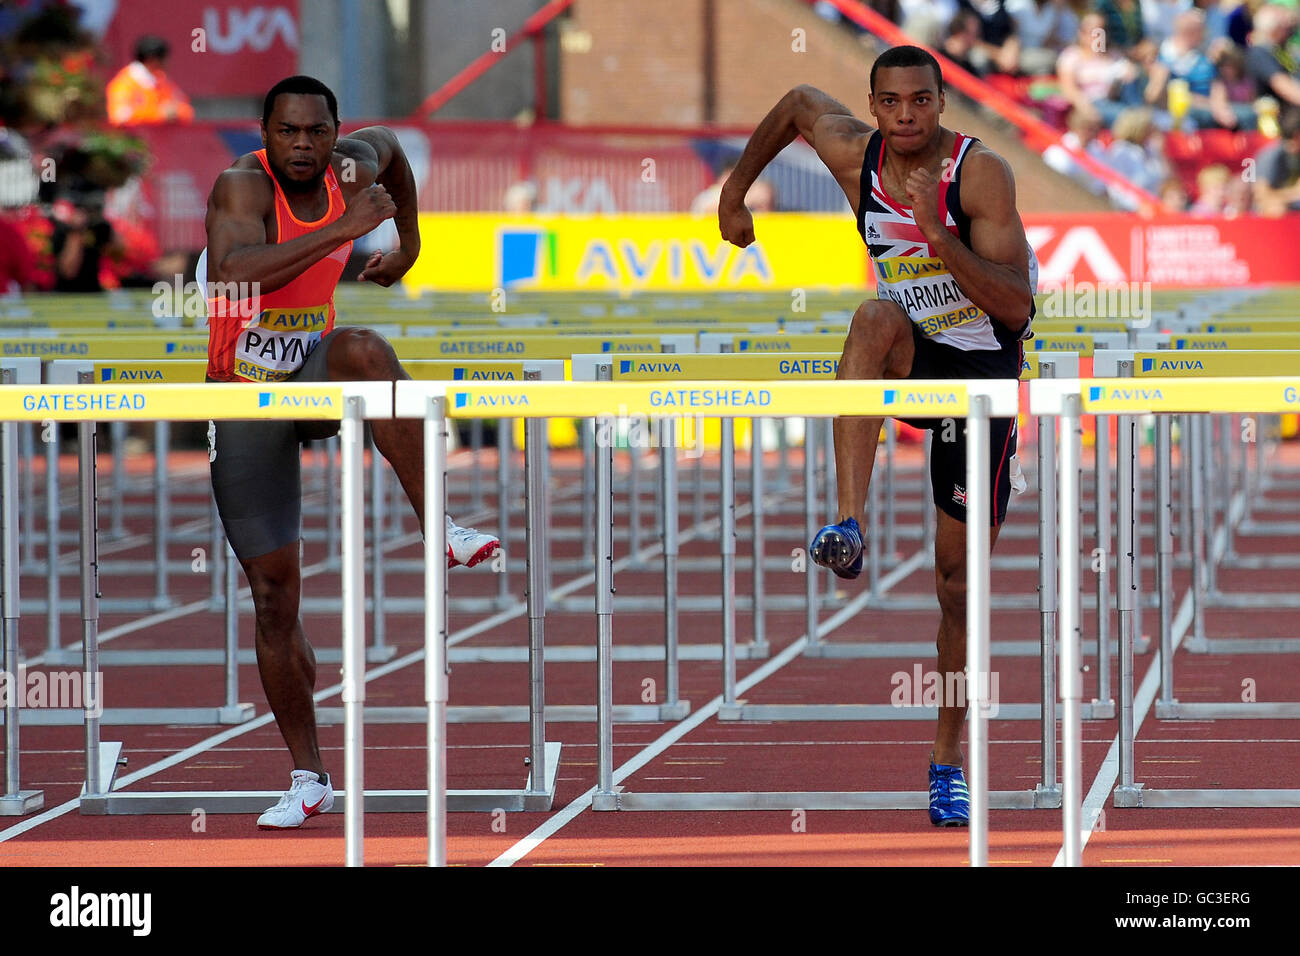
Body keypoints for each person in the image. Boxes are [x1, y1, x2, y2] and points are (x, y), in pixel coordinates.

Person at [718, 46, 1036, 828]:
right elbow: (795, 99)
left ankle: (945, 761)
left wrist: (939, 237)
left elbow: (1017, 309)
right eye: (889, 104)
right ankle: (848, 523)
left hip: (980, 380)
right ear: (874, 103)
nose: (904, 118)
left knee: (958, 590)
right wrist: (734, 194)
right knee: (870, 316)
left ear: (939, 103)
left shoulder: (980, 175)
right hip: (910, 356)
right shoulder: (855, 152)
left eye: (919, 103)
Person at [204, 75, 499, 830]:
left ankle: (443, 525)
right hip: (245, 387)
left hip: (314, 370)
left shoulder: (353, 166)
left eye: (316, 132)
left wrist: (410, 244)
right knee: (274, 595)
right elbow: (236, 273)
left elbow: (395, 151)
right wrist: (348, 229)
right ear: (264, 134)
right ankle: (308, 777)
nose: (302, 145)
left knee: (366, 348)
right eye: (287, 133)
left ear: (337, 134)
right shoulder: (241, 187)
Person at [106, 35, 194, 126]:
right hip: (134, 139)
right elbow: (119, 116)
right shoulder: (124, 83)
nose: (168, 62)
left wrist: (176, 112)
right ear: (153, 59)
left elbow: (186, 110)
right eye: (165, 58)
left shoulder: (162, 80)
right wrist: (158, 114)